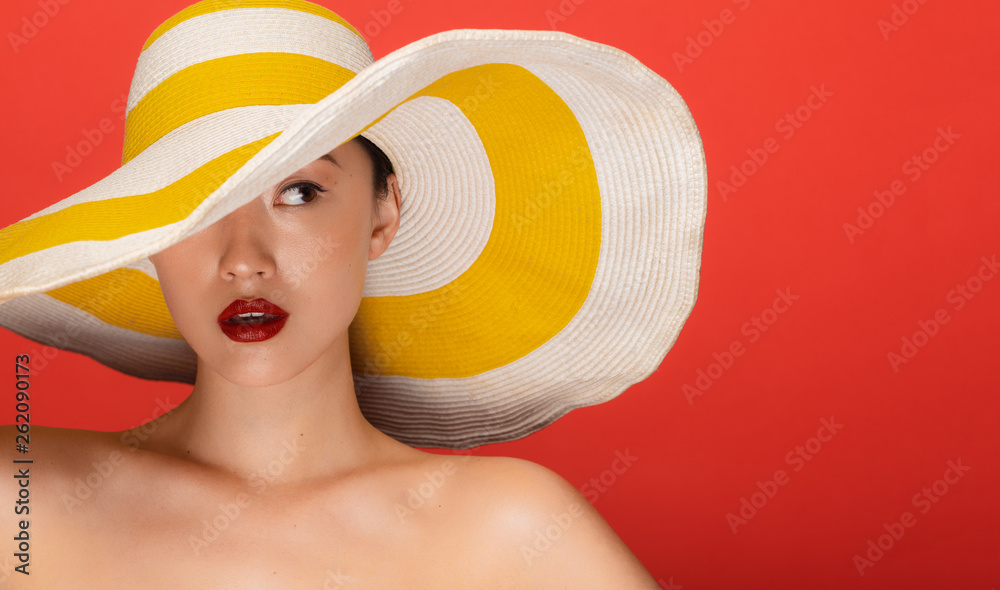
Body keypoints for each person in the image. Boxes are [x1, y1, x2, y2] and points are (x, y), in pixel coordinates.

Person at [0, 0, 706, 586]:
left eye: (299, 192)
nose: (244, 262)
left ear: (383, 213)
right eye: (198, 209)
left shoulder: (511, 535)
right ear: (149, 241)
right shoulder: (22, 500)